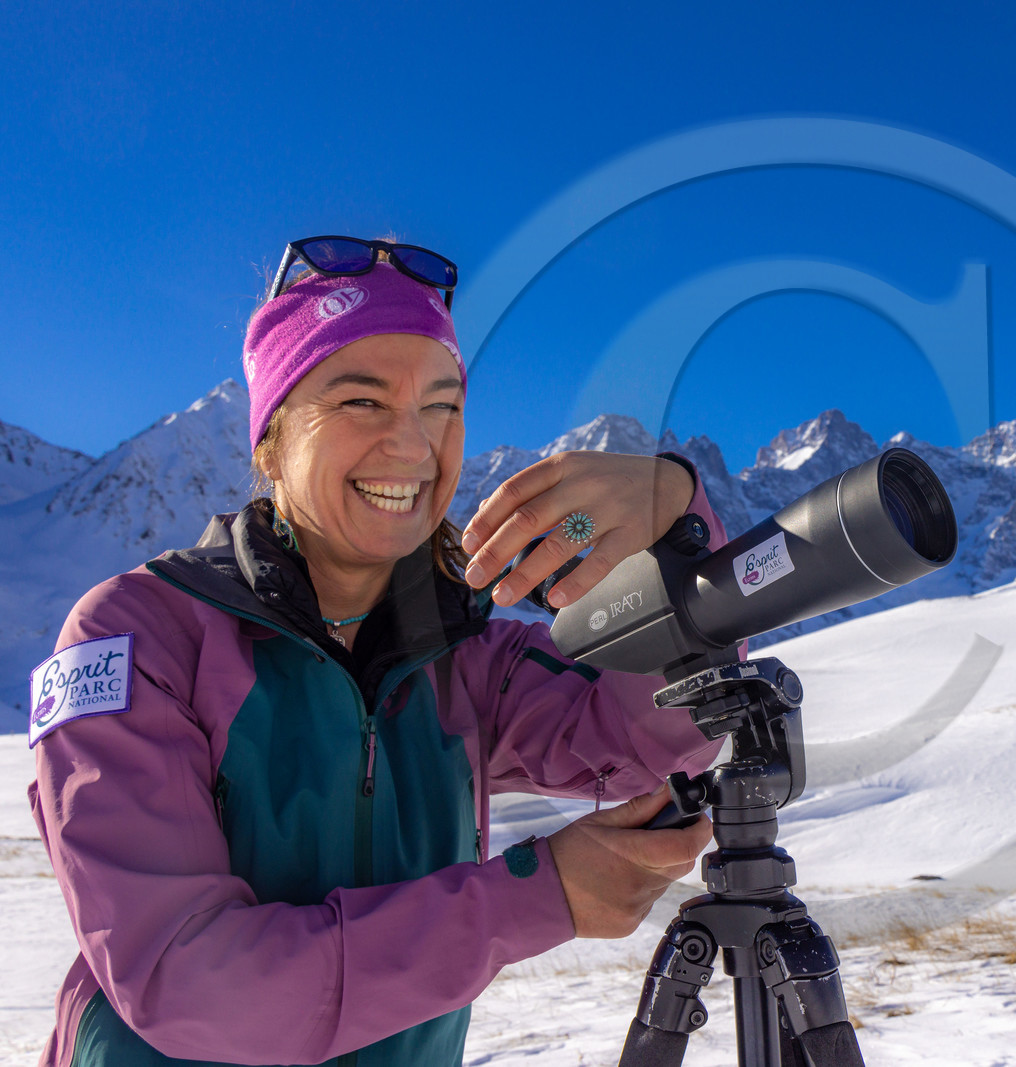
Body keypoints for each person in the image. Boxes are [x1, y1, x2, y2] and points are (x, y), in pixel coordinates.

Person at [27, 237, 729, 1066]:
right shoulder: (139, 636)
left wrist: (675, 524)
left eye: (442, 406)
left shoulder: (465, 659)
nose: (414, 445)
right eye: (361, 401)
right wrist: (532, 897)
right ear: (270, 438)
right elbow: (188, 980)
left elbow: (647, 743)